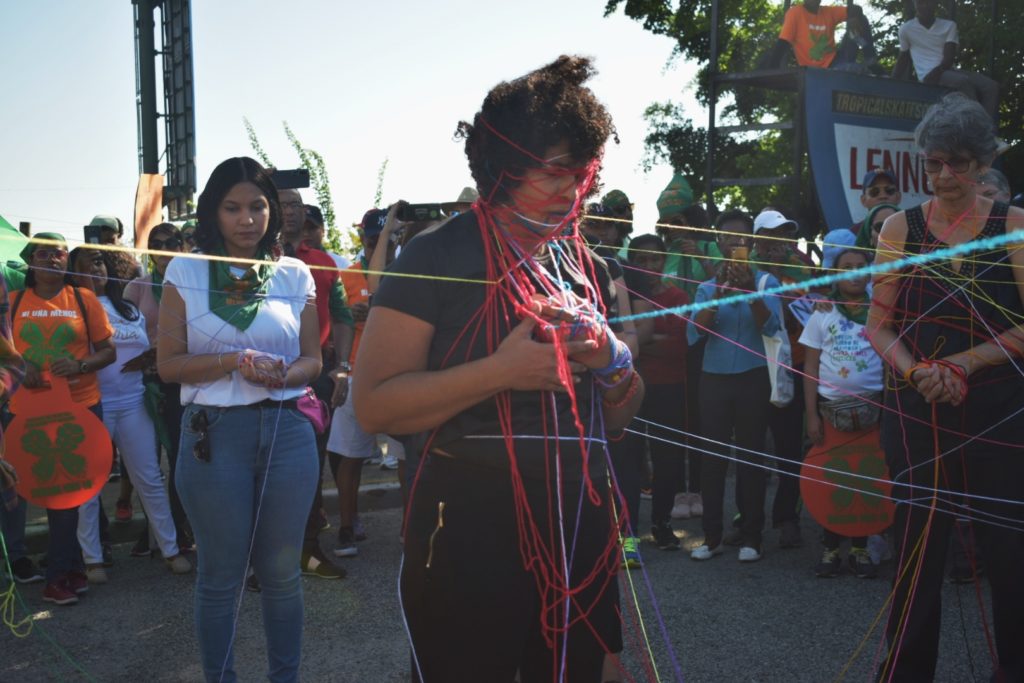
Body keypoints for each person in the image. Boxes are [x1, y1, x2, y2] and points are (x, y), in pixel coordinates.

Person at [353, 56, 641, 682]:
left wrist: (609, 358)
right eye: (558, 171)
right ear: (506, 167)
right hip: (466, 521)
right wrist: (501, 371)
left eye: (585, 170)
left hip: (578, 517)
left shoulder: (583, 263)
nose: (577, 188)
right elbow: (373, 405)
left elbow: (618, 418)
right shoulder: (436, 254)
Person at [866, 93, 1024, 682]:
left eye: (958, 162)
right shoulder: (899, 230)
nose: (944, 175)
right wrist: (917, 372)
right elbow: (878, 326)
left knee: (1008, 552)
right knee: (916, 554)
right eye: (934, 163)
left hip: (1000, 413)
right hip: (917, 411)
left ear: (984, 163)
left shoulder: (1012, 228)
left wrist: (963, 364)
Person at [157, 157, 322, 683]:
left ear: (273, 211)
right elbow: (168, 364)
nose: (247, 218)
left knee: (282, 576)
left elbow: (314, 359)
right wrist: (233, 361)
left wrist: (286, 372)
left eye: (257, 206)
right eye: (233, 208)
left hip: (288, 431)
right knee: (221, 577)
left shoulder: (295, 273)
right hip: (214, 435)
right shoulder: (183, 270)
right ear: (214, 212)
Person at [70, 246, 192, 583]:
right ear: (73, 272)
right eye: (85, 265)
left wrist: (150, 357)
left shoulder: (126, 307)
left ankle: (170, 550)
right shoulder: (71, 308)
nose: (95, 269)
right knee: (89, 484)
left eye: (99, 262)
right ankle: (92, 558)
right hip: (95, 403)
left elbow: (148, 344)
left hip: (135, 401)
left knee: (150, 477)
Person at [9, 233, 116, 605]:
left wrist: (81, 364)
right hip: (31, 411)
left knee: (73, 492)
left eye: (60, 254)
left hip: (82, 406)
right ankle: (65, 570)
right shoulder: (12, 302)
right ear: (31, 261)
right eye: (45, 253)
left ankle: (63, 572)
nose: (54, 260)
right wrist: (22, 368)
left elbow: (108, 352)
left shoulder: (84, 300)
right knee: (52, 493)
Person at [687, 210, 783, 563]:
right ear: (718, 242)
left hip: (753, 378)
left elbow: (772, 329)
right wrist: (722, 292)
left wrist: (748, 293)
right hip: (713, 379)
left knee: (751, 457)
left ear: (751, 243)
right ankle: (711, 538)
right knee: (711, 459)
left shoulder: (766, 283)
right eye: (728, 238)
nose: (735, 244)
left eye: (742, 238)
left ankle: (752, 536)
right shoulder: (706, 287)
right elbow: (697, 333)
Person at [277, 187, 353, 579]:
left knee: (309, 466)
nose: (290, 211)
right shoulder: (250, 262)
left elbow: (342, 316)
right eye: (281, 203)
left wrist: (341, 367)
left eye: (295, 205)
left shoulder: (322, 261)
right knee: (268, 471)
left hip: (317, 376)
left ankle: (308, 551)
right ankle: (268, 560)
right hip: (263, 378)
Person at [800, 247, 882, 578]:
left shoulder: (880, 310)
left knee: (867, 476)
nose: (854, 273)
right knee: (832, 477)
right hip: (830, 411)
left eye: (861, 267)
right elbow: (810, 364)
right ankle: (831, 547)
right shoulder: (823, 313)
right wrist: (811, 415)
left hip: (874, 408)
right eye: (846, 267)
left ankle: (861, 549)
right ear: (835, 274)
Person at [326, 208, 396, 558]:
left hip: (399, 374)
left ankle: (411, 528)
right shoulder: (347, 276)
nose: (381, 244)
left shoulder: (406, 274)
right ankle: (346, 524)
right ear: (363, 239)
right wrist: (350, 317)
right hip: (355, 373)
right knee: (349, 456)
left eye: (390, 238)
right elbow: (331, 321)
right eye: (373, 238)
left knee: (407, 457)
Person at [123, 223, 194, 556]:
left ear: (182, 246)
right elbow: (121, 331)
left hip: (183, 381)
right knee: (147, 463)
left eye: (171, 242)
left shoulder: (195, 283)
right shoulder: (137, 287)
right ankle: (155, 529)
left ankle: (179, 527)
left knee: (181, 457)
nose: (163, 249)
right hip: (143, 383)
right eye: (156, 243)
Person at [628, 234, 694, 551]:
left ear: (664, 261)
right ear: (632, 262)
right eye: (641, 260)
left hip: (669, 386)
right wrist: (654, 337)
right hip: (629, 387)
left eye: (655, 259)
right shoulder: (622, 294)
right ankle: (627, 530)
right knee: (629, 459)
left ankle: (662, 524)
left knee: (668, 460)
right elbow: (617, 344)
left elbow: (679, 347)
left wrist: (639, 341)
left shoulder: (678, 296)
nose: (649, 266)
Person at [892, 0, 999, 120]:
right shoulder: (906, 29)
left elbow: (948, 59)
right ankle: (975, 124)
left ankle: (987, 127)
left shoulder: (949, 26)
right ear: (915, 4)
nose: (925, 5)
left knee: (991, 86)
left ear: (935, 4)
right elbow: (903, 57)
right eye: (920, 2)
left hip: (943, 71)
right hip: (927, 75)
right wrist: (891, 81)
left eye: (928, 2)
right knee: (963, 82)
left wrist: (935, 73)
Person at [765, 0, 880, 73]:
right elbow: (783, 42)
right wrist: (771, 70)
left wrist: (853, 18)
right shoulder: (795, 13)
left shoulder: (827, 12)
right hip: (818, 70)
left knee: (861, 18)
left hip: (839, 58)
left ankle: (871, 60)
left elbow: (856, 9)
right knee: (855, 69)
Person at [302, 204, 350, 270]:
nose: (306, 233)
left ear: (323, 230)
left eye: (311, 228)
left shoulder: (341, 265)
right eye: (301, 229)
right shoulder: (288, 264)